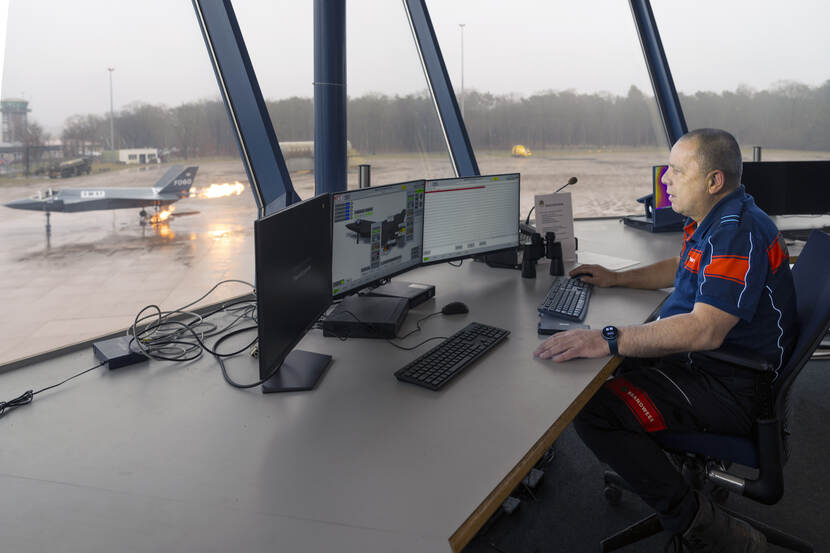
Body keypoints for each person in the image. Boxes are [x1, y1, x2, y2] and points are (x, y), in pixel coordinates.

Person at [534, 128, 796, 552]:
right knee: (611, 367)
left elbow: (705, 329)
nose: (664, 181)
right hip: (711, 363)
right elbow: (683, 268)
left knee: (594, 411)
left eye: (676, 171)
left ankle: (698, 522)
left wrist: (607, 338)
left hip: (730, 382)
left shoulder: (737, 233)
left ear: (713, 181)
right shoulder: (720, 219)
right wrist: (618, 279)